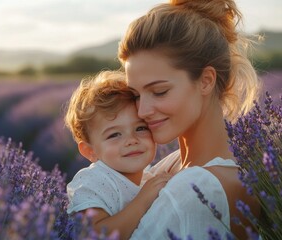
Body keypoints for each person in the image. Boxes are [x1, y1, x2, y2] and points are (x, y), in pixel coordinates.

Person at [117, 0, 261, 239]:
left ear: (206, 80)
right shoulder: (175, 164)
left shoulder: (198, 187)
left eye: (159, 91)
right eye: (135, 95)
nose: (142, 110)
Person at [64, 70, 170, 239]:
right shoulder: (92, 182)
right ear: (90, 151)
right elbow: (95, 235)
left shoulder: (147, 179)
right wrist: (143, 201)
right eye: (114, 135)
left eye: (141, 128)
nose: (131, 140)